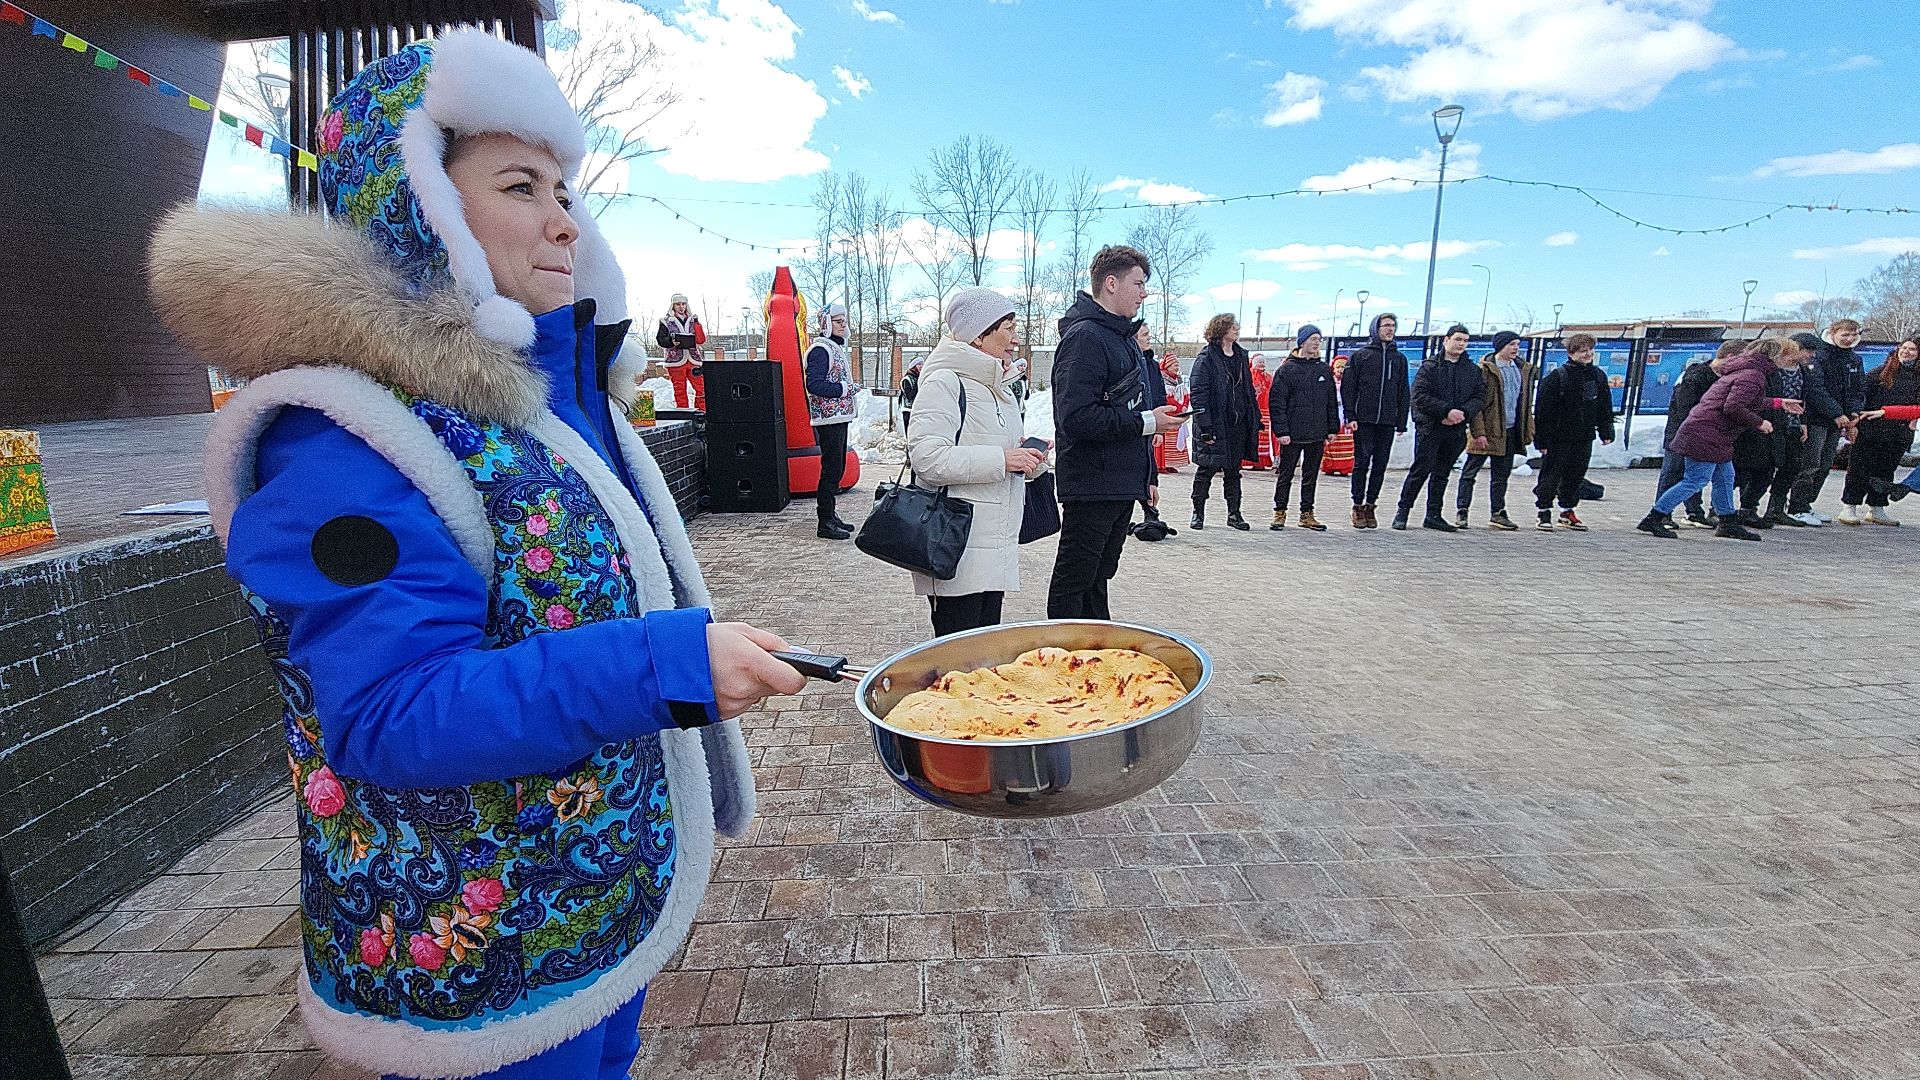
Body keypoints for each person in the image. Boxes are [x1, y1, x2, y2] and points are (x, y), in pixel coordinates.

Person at [147, 31, 807, 1080]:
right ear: (422, 204)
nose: (562, 218)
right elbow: (387, 715)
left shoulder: (546, 404)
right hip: (477, 967)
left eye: (564, 189)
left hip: (592, 909)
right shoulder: (347, 436)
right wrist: (668, 666)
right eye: (519, 185)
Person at [1047, 245, 1184, 620]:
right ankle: (1060, 663)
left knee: (1098, 577)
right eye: (1138, 284)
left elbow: (1131, 410)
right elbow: (1076, 417)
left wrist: (1147, 476)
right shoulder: (1085, 338)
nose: (1144, 293)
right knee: (1075, 579)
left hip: (1120, 481)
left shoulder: (1122, 337)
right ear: (1111, 283)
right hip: (1093, 483)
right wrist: (1147, 422)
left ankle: (1094, 655)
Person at [906, 288, 1048, 635]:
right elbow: (928, 458)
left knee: (982, 657)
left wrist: (1029, 456)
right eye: (1008, 328)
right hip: (955, 546)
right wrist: (1004, 458)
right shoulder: (944, 381)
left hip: (991, 545)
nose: (1015, 339)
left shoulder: (996, 384)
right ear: (979, 334)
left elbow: (995, 448)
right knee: (956, 661)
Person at [1637, 339, 1780, 541]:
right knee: (1695, 480)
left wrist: (1778, 403)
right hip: (1706, 433)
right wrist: (1759, 423)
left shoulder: (1743, 371)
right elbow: (1733, 407)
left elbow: (1744, 400)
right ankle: (1655, 517)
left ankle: (1727, 521)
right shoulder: (1753, 375)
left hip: (1712, 433)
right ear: (1775, 357)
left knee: (1725, 477)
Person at [1393, 325, 1486, 532]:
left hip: (1456, 429)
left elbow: (1479, 397)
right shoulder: (1430, 367)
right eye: (1458, 339)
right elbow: (1419, 396)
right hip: (1431, 428)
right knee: (1420, 471)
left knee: (1442, 473)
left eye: (1465, 340)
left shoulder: (1472, 370)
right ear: (1446, 340)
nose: (1461, 344)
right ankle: (1403, 512)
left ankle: (1433, 515)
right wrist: (1445, 412)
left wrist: (1462, 412)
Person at [1732, 335, 1831, 529]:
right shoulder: (1771, 371)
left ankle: (1776, 509)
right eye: (1807, 351)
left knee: (1791, 466)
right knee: (1762, 467)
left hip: (1793, 423)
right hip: (1771, 423)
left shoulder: (1803, 371)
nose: (1811, 356)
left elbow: (1803, 397)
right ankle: (1747, 508)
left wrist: (1803, 421)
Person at [1531, 333, 1616, 532]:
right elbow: (1543, 410)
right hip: (1558, 437)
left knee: (1575, 475)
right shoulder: (1558, 376)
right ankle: (1543, 511)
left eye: (1590, 350)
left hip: (1584, 436)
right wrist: (1541, 440)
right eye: (1582, 351)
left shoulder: (1598, 376)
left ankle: (1567, 511)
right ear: (1571, 353)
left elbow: (1604, 406)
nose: (1588, 354)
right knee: (1551, 475)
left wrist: (1606, 430)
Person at [1786, 318, 1867, 522]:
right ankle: (1797, 506)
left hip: (1838, 422)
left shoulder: (1855, 360)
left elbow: (1858, 390)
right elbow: (1815, 389)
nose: (1849, 339)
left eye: (1854, 335)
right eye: (1845, 335)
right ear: (1833, 333)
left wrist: (1854, 413)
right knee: (1810, 464)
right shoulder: (1819, 356)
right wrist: (1835, 412)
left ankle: (1808, 503)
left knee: (1825, 465)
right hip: (1816, 419)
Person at [1455, 329, 1533, 531]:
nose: (1515, 348)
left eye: (1517, 344)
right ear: (1500, 347)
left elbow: (1524, 403)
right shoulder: (1485, 370)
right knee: (1470, 473)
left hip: (1509, 430)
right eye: (1511, 344)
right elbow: (1476, 403)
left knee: (1501, 475)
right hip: (1487, 430)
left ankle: (1498, 513)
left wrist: (1527, 429)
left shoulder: (1522, 369)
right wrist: (1478, 432)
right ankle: (1462, 511)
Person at [1188, 314, 1261, 530]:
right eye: (1233, 326)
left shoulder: (1240, 356)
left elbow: (1248, 391)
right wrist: (1205, 427)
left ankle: (1234, 514)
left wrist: (1255, 418)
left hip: (1238, 424)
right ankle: (1198, 512)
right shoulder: (1206, 358)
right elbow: (1199, 394)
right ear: (1221, 329)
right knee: (1206, 470)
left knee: (1233, 471)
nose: (1237, 329)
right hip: (1215, 424)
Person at [1837, 337, 1920, 525]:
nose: (1907, 352)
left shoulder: (1918, 378)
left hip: (1899, 432)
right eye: (1904, 348)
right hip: (1871, 429)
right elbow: (1860, 396)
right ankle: (1849, 506)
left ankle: (1876, 507)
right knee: (1859, 469)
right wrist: (1854, 421)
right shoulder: (1880, 373)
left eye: (1912, 349)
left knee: (1886, 471)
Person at [1340, 313, 1410, 528]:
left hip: (1387, 420)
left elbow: (1403, 391)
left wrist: (1401, 420)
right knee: (1362, 462)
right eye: (1385, 325)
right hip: (1364, 420)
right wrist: (1351, 416)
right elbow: (1348, 389)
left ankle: (1371, 505)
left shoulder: (1399, 359)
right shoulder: (1361, 356)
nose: (1390, 329)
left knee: (1380, 464)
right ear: (1375, 329)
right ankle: (1358, 505)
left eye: (1393, 325)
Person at [1267, 325, 1339, 531]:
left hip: (1317, 432)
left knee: (1311, 475)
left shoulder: (1324, 370)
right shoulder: (1287, 370)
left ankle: (1307, 514)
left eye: (1319, 339)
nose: (1316, 343)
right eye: (1313, 339)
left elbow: (1331, 402)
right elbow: (1277, 403)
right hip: (1292, 433)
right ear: (1302, 341)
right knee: (1286, 474)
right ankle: (1279, 512)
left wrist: (1332, 428)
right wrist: (1281, 431)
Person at [1659, 346, 1736, 528]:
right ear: (1730, 356)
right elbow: (1684, 407)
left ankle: (1694, 511)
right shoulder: (1695, 376)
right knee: (1674, 472)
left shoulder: (1725, 378)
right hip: (1682, 430)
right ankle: (1662, 514)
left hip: (1707, 434)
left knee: (1699, 474)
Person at [804, 303, 860, 540]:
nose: (843, 325)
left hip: (838, 417)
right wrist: (844, 389)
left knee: (837, 469)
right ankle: (824, 521)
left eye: (844, 321)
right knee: (830, 469)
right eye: (838, 321)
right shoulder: (820, 350)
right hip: (828, 419)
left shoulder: (833, 348)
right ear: (826, 323)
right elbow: (813, 385)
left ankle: (831, 516)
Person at [655, 292, 707, 410]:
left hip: (694, 360)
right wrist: (671, 342)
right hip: (675, 361)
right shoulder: (665, 321)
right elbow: (661, 340)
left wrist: (697, 324)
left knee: (701, 388)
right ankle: (684, 414)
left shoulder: (693, 321)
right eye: (678, 304)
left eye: (683, 304)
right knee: (680, 390)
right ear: (673, 305)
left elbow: (701, 340)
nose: (681, 307)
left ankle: (702, 412)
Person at [1155, 349, 1190, 474]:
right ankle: (1162, 464)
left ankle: (1170, 463)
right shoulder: (1163, 380)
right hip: (1169, 414)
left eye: (1177, 365)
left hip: (1178, 414)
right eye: (1175, 365)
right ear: (1168, 366)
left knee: (1174, 441)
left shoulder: (1178, 380)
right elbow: (1166, 398)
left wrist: (1185, 405)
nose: (1177, 367)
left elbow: (1186, 395)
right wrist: (1178, 407)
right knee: (1166, 441)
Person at [1247, 353, 1275, 470]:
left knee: (1264, 434)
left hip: (1266, 409)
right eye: (1259, 362)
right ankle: (1250, 459)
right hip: (1254, 410)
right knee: (1254, 434)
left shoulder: (1268, 377)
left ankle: (1261, 461)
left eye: (1263, 362)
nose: (1261, 364)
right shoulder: (1250, 375)